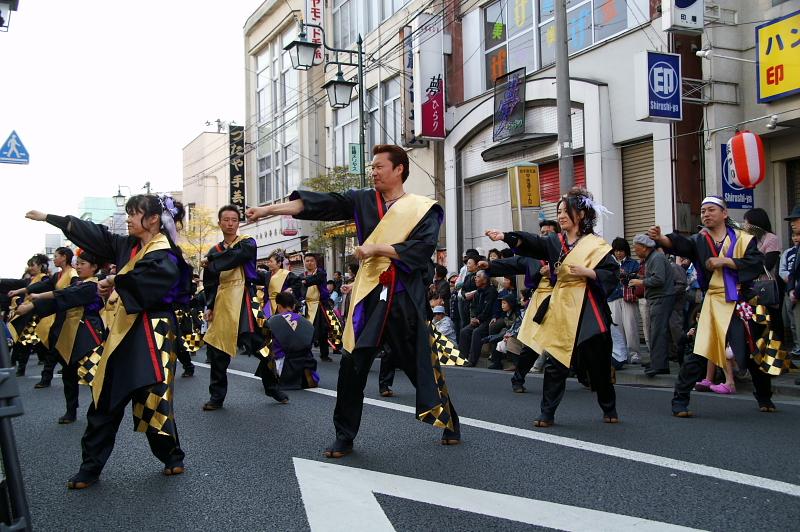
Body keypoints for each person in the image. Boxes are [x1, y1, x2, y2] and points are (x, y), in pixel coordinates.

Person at [246, 143, 461, 457]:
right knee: (352, 364)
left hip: (403, 296)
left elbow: (420, 249)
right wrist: (268, 210)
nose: (373, 171)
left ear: (399, 169)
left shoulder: (422, 207)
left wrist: (377, 249)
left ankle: (449, 420)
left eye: (379, 167)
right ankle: (344, 436)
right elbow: (316, 204)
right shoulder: (362, 199)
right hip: (369, 298)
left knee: (419, 366)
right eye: (372, 167)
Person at [25, 193, 191, 488]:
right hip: (122, 331)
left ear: (153, 219)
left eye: (133, 213)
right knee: (105, 398)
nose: (128, 218)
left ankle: (172, 456)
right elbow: (98, 237)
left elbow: (151, 284)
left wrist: (116, 281)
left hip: (155, 332)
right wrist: (54, 219)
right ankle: (90, 467)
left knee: (154, 399)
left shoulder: (165, 251)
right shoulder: (128, 246)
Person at [486, 187, 619, 426]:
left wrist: (589, 272)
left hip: (589, 309)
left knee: (598, 363)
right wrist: (506, 236)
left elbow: (612, 273)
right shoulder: (554, 242)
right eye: (558, 211)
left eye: (565, 211)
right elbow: (531, 243)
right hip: (562, 307)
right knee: (555, 362)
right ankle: (547, 413)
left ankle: (609, 407)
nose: (560, 215)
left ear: (580, 214)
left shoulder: (596, 245)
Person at [647, 196, 769, 417]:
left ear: (724, 213)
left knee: (751, 349)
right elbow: (681, 245)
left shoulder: (743, 239)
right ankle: (680, 402)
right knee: (699, 352)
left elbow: (756, 263)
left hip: (740, 301)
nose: (706, 214)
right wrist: (662, 239)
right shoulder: (699, 240)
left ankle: (764, 396)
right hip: (713, 302)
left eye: (711, 210)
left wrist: (726, 261)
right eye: (703, 211)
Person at [14, 248, 105, 423]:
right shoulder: (78, 283)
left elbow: (66, 295)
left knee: (95, 377)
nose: (78, 267)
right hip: (69, 333)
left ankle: (101, 413)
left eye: (82, 264)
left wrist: (34, 302)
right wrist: (32, 306)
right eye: (77, 264)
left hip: (90, 335)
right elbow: (58, 303)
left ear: (94, 267)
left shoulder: (95, 285)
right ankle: (71, 411)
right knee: (68, 375)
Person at [201, 205, 267, 410]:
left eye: (234, 220)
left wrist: (211, 260)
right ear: (219, 223)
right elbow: (210, 283)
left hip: (246, 298)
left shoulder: (247, 243)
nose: (230, 223)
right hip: (222, 299)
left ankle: (273, 385)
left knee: (262, 345)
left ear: (239, 223)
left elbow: (235, 257)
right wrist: (209, 305)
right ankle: (216, 397)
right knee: (218, 350)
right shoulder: (214, 249)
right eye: (226, 220)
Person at [9, 247, 78, 388]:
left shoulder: (73, 274)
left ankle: (68, 372)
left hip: (72, 316)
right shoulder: (57, 276)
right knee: (53, 344)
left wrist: (37, 300)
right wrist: (17, 291)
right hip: (59, 315)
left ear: (64, 257)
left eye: (56, 256)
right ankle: (47, 377)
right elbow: (40, 286)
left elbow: (70, 294)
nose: (54, 259)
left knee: (64, 346)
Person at [628, 235, 675, 377]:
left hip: (661, 297)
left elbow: (659, 279)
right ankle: (658, 362)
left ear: (644, 247)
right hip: (659, 297)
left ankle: (659, 365)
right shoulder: (652, 258)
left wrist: (640, 282)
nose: (635, 252)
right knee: (655, 331)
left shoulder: (656, 258)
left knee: (657, 331)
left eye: (636, 249)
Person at [258, 291, 318, 393]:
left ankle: (275, 377)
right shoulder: (307, 323)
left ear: (279, 306)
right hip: (305, 365)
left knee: (266, 350)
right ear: (293, 306)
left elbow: (264, 344)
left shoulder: (272, 321)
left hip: (284, 366)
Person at [5, 254, 50, 377]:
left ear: (41, 266)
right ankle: (21, 366)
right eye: (29, 265)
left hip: (36, 315)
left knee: (26, 341)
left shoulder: (45, 279)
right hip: (27, 314)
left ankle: (23, 368)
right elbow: (14, 283)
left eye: (32, 265)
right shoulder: (30, 280)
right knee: (26, 341)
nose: (30, 268)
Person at [608, 237, 641, 366]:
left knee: (631, 326)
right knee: (616, 328)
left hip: (628, 298)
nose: (618, 253)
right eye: (616, 251)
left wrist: (626, 275)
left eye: (621, 250)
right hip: (612, 297)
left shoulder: (633, 264)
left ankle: (635, 354)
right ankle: (620, 355)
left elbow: (638, 279)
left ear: (626, 251)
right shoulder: (609, 264)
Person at [458, 269, 497, 367]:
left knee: (477, 332)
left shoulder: (491, 291)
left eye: (478, 276)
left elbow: (487, 310)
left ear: (485, 280)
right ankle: (462, 359)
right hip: (477, 320)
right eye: (475, 276)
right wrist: (473, 318)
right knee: (464, 331)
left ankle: (472, 361)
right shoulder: (477, 292)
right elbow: (473, 307)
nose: (475, 278)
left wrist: (478, 319)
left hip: (487, 320)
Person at [301, 253, 335, 362]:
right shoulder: (302, 275)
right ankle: (306, 353)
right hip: (306, 306)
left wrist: (304, 281)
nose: (309, 263)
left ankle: (324, 354)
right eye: (307, 261)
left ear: (316, 262)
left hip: (319, 305)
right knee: (306, 330)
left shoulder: (321, 273)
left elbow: (315, 279)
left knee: (323, 331)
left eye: (311, 260)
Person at [257, 251, 301, 317]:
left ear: (279, 263)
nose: (269, 264)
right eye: (268, 262)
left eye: (271, 262)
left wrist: (290, 288)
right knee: (269, 325)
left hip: (283, 305)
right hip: (269, 305)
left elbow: (298, 283)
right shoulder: (267, 275)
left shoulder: (286, 274)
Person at [779, 231, 800, 354]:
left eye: (798, 235)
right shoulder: (788, 252)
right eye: (794, 235)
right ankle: (797, 346)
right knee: (793, 321)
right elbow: (782, 271)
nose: (796, 238)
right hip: (790, 289)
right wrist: (792, 284)